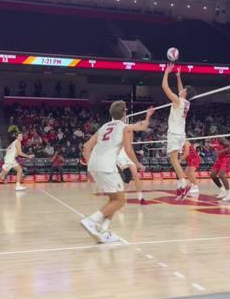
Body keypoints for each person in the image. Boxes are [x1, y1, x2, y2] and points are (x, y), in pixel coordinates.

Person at [81, 101, 154, 243]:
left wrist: (91, 165)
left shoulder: (103, 127)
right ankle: (91, 220)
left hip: (94, 164)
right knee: (120, 201)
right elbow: (129, 148)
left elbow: (86, 146)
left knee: (114, 200)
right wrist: (148, 116)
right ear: (125, 113)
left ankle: (105, 231)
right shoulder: (125, 127)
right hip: (107, 166)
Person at [162, 63, 196, 200]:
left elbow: (164, 87)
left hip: (175, 134)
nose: (180, 91)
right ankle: (181, 185)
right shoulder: (186, 102)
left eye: (183, 90)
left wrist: (166, 73)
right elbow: (181, 90)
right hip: (181, 134)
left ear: (185, 94)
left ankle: (184, 184)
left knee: (174, 160)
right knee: (174, 160)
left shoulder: (178, 101)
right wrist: (178, 77)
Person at [117, 131, 147, 205]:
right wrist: (139, 164)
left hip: (128, 154)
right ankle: (120, 195)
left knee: (136, 175)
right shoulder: (122, 134)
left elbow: (130, 150)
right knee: (128, 175)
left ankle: (141, 198)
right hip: (120, 155)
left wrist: (137, 161)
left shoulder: (130, 137)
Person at [210, 135, 230, 201]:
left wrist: (220, 151)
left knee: (221, 174)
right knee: (213, 174)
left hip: (226, 157)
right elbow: (214, 149)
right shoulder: (212, 139)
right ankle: (222, 190)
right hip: (219, 159)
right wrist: (211, 148)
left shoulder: (220, 138)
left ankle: (229, 193)